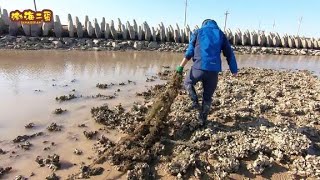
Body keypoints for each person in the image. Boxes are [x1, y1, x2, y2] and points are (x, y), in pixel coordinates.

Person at [176, 19, 238, 124]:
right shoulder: (220, 34)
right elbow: (229, 53)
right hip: (213, 71)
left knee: (187, 83)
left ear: (203, 24)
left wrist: (181, 67)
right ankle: (202, 120)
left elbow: (190, 51)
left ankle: (195, 102)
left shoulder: (198, 32)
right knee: (207, 97)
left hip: (199, 68)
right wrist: (234, 70)